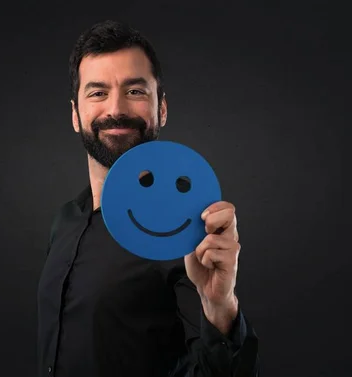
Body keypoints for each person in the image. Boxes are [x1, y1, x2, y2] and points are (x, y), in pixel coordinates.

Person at [37, 20, 259, 377]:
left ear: (162, 109)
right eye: (97, 92)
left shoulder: (185, 230)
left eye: (135, 91)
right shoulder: (65, 220)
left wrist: (220, 308)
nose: (116, 109)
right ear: (75, 116)